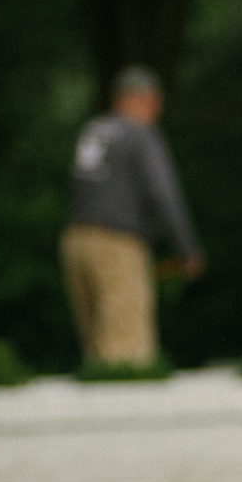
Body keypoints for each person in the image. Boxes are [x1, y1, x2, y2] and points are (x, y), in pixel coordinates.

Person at [61, 65, 205, 367]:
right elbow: (164, 194)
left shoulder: (94, 129)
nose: (157, 109)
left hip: (76, 241)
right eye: (154, 101)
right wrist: (187, 247)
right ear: (137, 98)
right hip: (116, 244)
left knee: (97, 348)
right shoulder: (139, 133)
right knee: (127, 351)